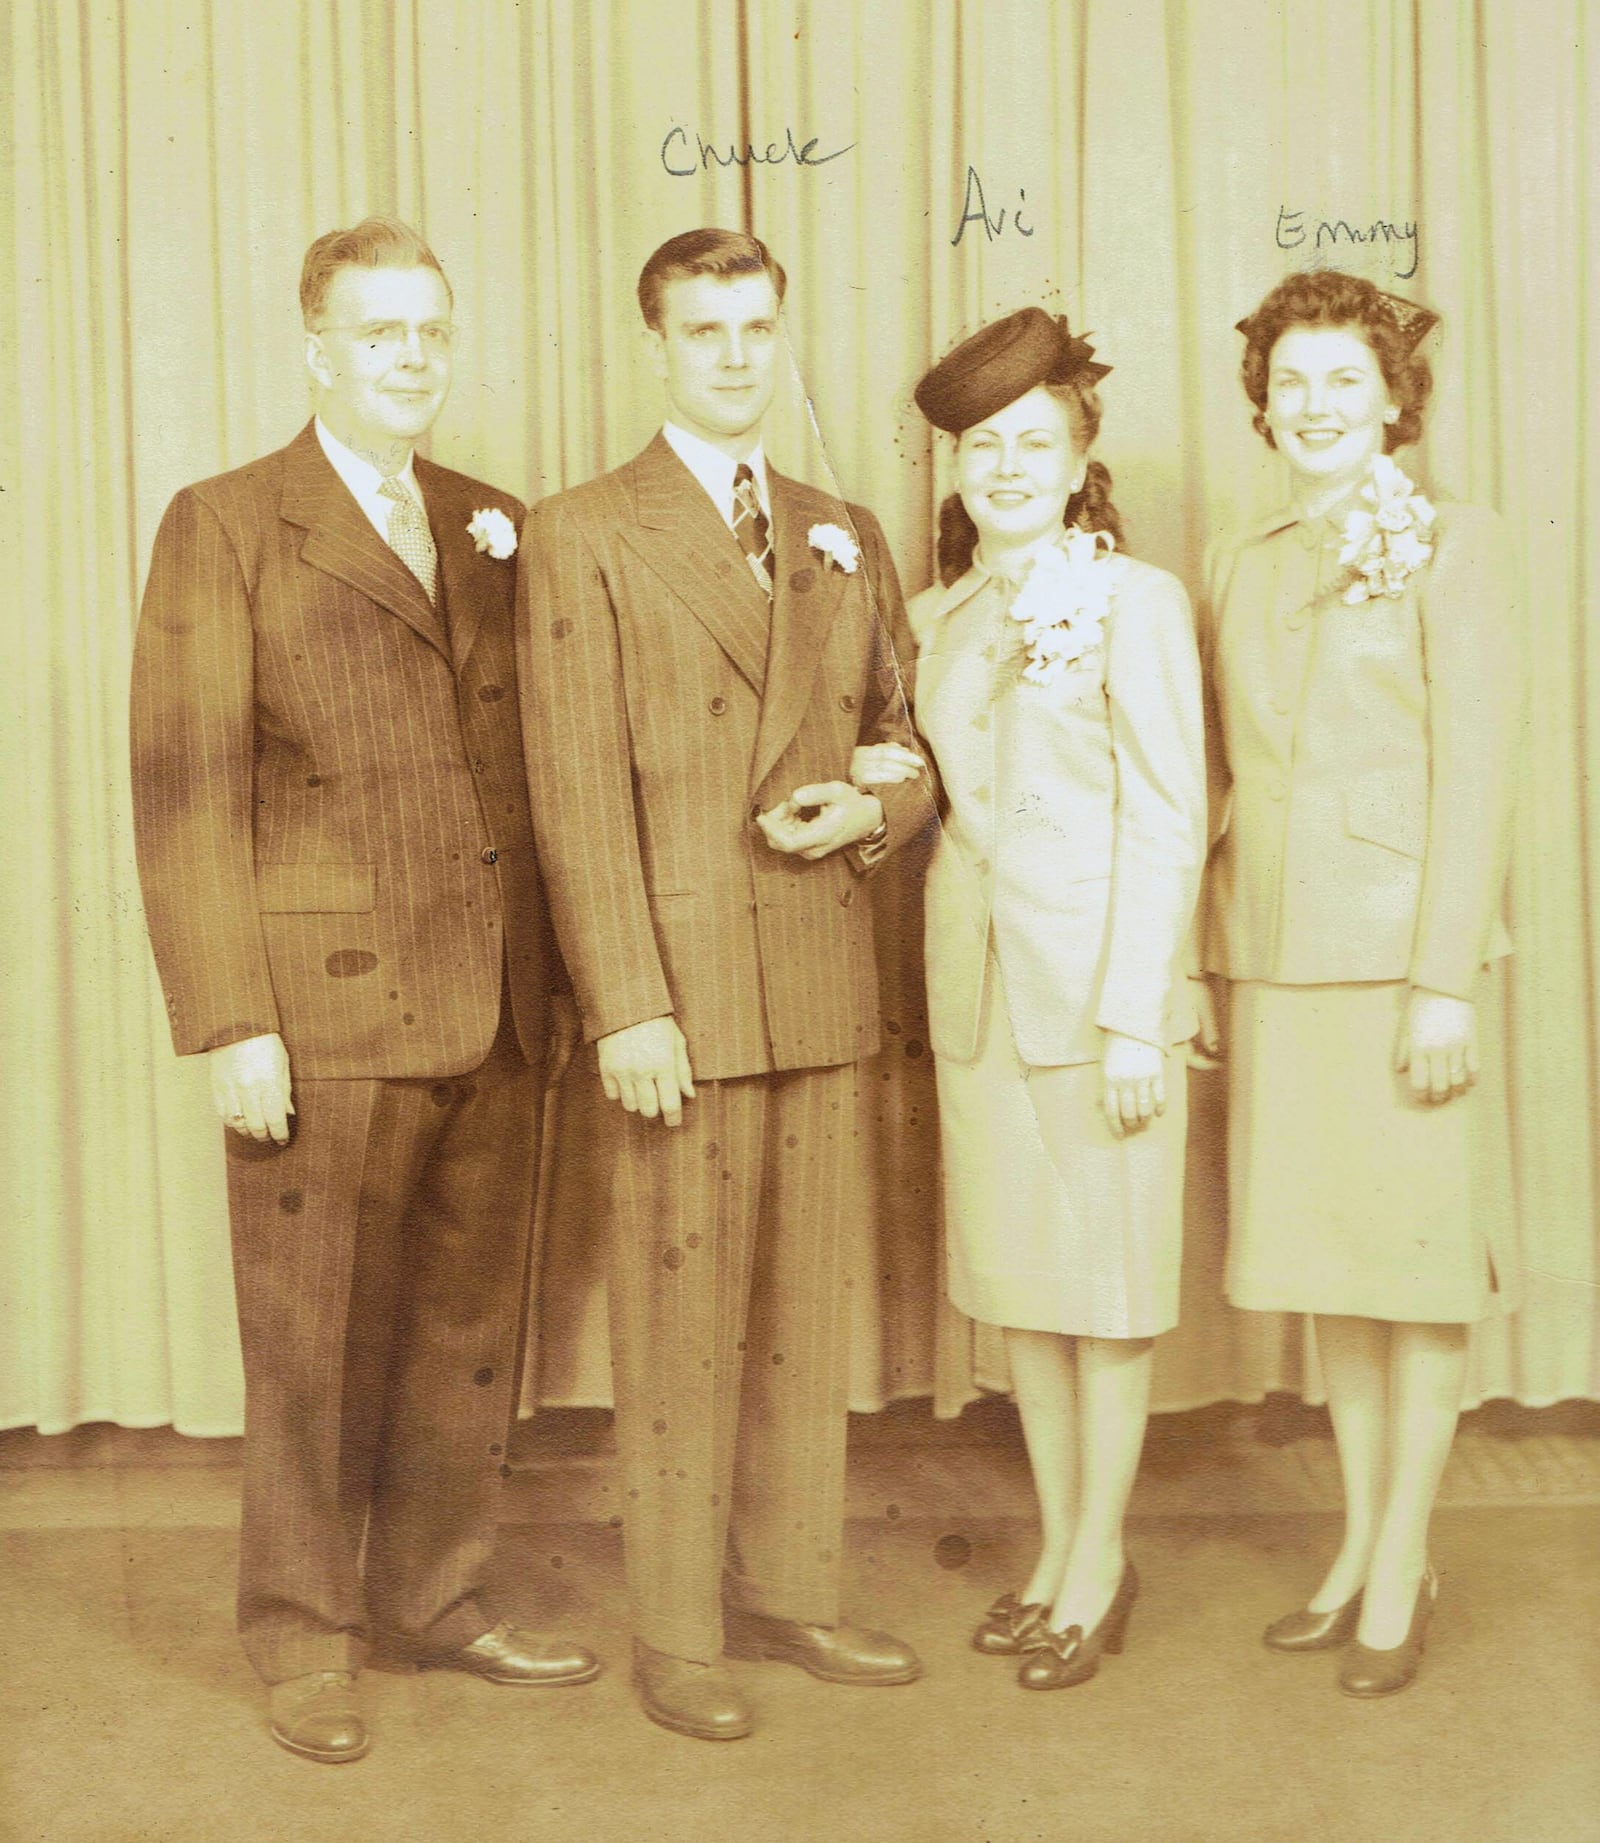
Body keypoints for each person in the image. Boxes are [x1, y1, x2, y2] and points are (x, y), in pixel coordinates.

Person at [130, 218, 597, 1764]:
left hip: (496, 1003)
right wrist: (230, 1018)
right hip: (320, 1012)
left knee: (466, 1330)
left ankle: (436, 1598)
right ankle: (306, 1633)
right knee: (316, 1340)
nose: (412, 360)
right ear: (315, 347)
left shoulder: (489, 520)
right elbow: (188, 790)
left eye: (432, 333)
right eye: (380, 334)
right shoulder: (229, 522)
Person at [516, 228, 937, 1741]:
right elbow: (571, 791)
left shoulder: (843, 527)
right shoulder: (588, 531)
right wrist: (627, 1000)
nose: (739, 356)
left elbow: (908, 740)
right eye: (707, 332)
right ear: (655, 348)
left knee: (797, 1316)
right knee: (682, 1317)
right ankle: (679, 1632)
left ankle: (794, 1592)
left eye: (759, 327)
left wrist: (873, 810)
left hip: (820, 976)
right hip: (680, 1000)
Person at [1193, 270, 1525, 1696]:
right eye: (1294, 380)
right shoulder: (1238, 556)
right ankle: (1355, 1543)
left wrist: (1444, 979)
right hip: (1277, 958)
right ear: (1261, 401)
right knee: (1336, 1270)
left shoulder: (1463, 544)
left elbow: (1482, 774)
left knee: (1418, 1270)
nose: (1317, 405)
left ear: (1395, 397)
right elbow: (1213, 782)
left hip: (1402, 966)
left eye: (1347, 380)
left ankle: (1403, 1562)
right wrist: (1194, 957)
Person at [863, 308, 1205, 1690]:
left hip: (1098, 1005)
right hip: (978, 1004)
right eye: (982, 447)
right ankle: (1056, 1552)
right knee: (1029, 1298)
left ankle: (1101, 1566)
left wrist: (1138, 1012)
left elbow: (1175, 816)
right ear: (956, 470)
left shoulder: (1138, 602)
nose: (1005, 467)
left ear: (1078, 463)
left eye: (1033, 445)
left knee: (1107, 1294)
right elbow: (924, 789)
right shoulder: (932, 619)